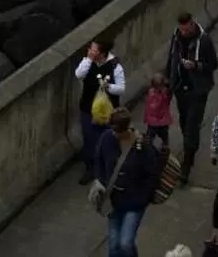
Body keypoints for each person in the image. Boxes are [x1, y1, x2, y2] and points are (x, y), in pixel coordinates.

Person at [94, 108, 162, 257]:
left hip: (134, 203)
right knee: (113, 246)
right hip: (113, 201)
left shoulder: (142, 146)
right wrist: (100, 180)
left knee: (125, 243)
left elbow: (152, 174)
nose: (113, 134)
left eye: (116, 131)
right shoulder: (106, 138)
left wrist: (143, 198)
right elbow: (99, 160)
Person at [164, 12, 218, 179]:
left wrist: (195, 65)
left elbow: (213, 64)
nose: (184, 32)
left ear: (192, 24)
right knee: (183, 120)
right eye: (181, 29)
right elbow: (171, 58)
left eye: (186, 29)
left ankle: (187, 163)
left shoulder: (204, 40)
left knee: (192, 125)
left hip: (197, 89)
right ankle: (190, 148)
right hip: (181, 87)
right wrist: (169, 79)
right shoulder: (176, 37)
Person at [74, 38, 127, 183]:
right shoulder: (88, 62)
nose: (90, 51)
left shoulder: (115, 66)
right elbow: (79, 74)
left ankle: (108, 170)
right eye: (90, 48)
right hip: (88, 108)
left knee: (107, 140)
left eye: (94, 49)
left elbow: (121, 88)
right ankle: (90, 168)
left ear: (102, 53)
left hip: (107, 111)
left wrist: (108, 86)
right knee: (89, 139)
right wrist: (88, 60)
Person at [142, 72, 174, 148]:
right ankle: (149, 147)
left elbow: (168, 96)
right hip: (153, 120)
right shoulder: (151, 91)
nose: (157, 89)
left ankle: (164, 146)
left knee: (164, 135)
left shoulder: (165, 93)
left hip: (162, 120)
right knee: (150, 135)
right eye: (155, 86)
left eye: (159, 86)